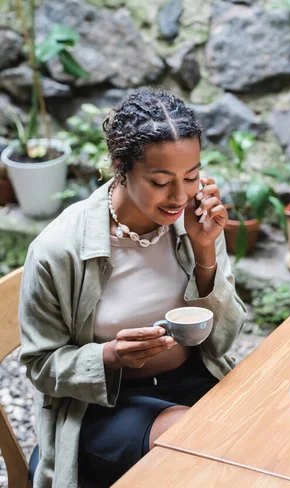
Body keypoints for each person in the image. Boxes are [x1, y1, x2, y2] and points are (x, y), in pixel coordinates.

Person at [19, 89, 246, 488]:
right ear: (120, 168)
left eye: (191, 177)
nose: (180, 196)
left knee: (270, 432)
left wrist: (205, 250)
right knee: (201, 448)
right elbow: (40, 365)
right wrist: (109, 355)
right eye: (161, 181)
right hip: (102, 406)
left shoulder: (195, 222)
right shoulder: (59, 249)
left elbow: (224, 340)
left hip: (191, 379)